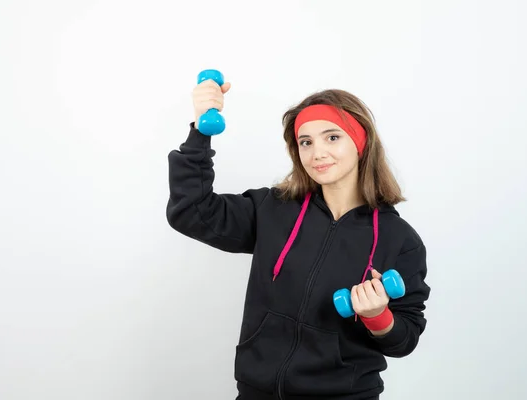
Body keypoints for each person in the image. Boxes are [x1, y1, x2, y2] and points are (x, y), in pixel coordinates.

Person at [166, 78, 431, 400]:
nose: (317, 152)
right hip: (256, 393)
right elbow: (191, 211)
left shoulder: (399, 239)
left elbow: (404, 340)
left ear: (360, 143)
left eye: (332, 137)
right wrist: (200, 130)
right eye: (305, 142)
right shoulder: (272, 209)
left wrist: (378, 316)